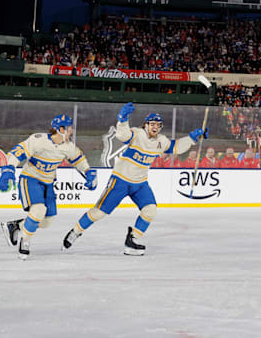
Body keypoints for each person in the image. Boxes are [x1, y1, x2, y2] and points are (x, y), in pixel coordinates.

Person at [61, 103, 207, 256]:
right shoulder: (138, 134)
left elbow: (176, 147)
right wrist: (122, 119)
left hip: (140, 183)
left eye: (158, 124)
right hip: (120, 180)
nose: (155, 127)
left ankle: (132, 240)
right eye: (152, 124)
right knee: (99, 212)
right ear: (146, 125)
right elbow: (122, 135)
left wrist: (192, 138)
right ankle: (76, 231)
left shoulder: (161, 141)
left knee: (150, 210)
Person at [0, 114, 97, 260]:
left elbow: (79, 160)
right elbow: (17, 153)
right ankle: (25, 241)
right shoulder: (38, 140)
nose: (71, 132)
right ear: (60, 129)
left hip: (48, 183)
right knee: (38, 210)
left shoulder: (68, 147)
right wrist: (8, 169)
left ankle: (16, 226)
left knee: (46, 221)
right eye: (69, 129)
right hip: (30, 179)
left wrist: (89, 173)